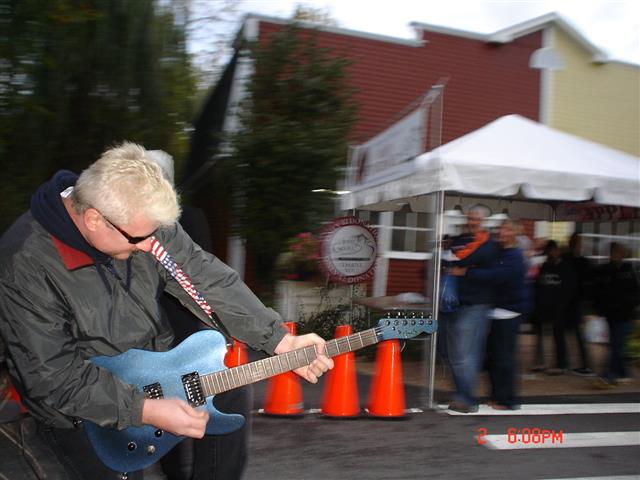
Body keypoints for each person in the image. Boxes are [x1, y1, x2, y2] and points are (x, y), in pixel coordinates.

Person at [0, 142, 333, 480]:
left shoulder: (138, 220)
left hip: (149, 375)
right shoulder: (24, 262)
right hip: (78, 412)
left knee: (230, 393)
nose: (150, 247)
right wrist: (143, 410)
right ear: (94, 219)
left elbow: (204, 274)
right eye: (139, 240)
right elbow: (52, 377)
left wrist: (279, 339)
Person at [450, 219, 529, 410]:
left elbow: (496, 276)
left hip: (510, 312)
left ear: (515, 234)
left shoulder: (515, 256)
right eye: (501, 229)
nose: (502, 233)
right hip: (496, 311)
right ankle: (497, 396)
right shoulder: (501, 252)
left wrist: (466, 273)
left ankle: (508, 400)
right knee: (494, 357)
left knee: (504, 358)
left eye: (507, 229)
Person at [442, 206, 498, 413]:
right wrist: (462, 268)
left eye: (476, 219)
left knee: (465, 355)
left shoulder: (490, 245)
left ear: (484, 222)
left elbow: (490, 274)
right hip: (454, 304)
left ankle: (468, 398)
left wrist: (465, 271)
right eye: (470, 218)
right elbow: (447, 263)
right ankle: (462, 394)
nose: (472, 222)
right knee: (455, 355)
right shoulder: (460, 241)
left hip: (476, 305)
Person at [593, 242, 639, 387]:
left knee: (617, 345)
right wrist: (600, 309)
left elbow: (636, 292)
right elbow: (600, 292)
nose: (616, 255)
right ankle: (622, 372)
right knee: (615, 344)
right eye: (614, 252)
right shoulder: (606, 271)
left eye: (619, 252)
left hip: (625, 314)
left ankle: (609, 375)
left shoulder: (628, 271)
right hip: (611, 314)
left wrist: (631, 305)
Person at [534, 240, 573, 375]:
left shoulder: (565, 268)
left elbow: (568, 289)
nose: (550, 254)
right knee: (541, 334)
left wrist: (563, 305)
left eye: (553, 251)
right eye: (548, 252)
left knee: (558, 335)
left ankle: (561, 363)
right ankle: (541, 361)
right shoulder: (545, 266)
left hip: (559, 307)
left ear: (558, 251)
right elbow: (539, 284)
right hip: (544, 306)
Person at [562, 233, 595, 376]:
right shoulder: (570, 260)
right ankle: (573, 363)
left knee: (577, 333)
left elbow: (587, 283)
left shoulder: (581, 262)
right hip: (569, 301)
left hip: (575, 302)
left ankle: (584, 364)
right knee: (571, 333)